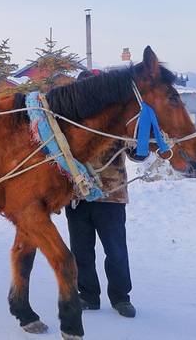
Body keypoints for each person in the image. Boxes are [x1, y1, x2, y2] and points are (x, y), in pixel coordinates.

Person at [65, 69, 137, 318]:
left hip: (111, 195)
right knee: (81, 251)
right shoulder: (68, 122)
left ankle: (121, 297)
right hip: (77, 196)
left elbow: (135, 151)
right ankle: (88, 295)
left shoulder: (116, 120)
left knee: (116, 251)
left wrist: (140, 145)